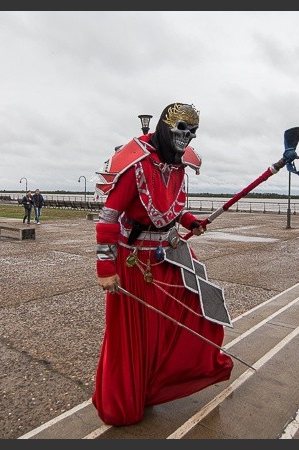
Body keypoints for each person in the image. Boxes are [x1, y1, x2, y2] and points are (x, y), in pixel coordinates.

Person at [92, 102, 233, 426]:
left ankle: (165, 382)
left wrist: (191, 220)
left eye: (193, 132)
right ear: (166, 128)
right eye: (182, 129)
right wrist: (105, 267)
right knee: (135, 336)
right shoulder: (136, 165)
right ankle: (128, 398)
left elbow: (169, 209)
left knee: (199, 313)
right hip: (134, 262)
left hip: (169, 255)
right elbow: (109, 217)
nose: (188, 138)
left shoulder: (180, 165)